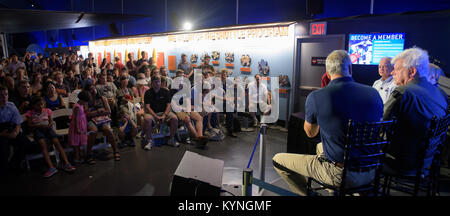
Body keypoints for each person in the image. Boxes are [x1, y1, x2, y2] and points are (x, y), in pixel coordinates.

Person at [272, 50, 383, 196]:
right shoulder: (374, 93)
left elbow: (311, 133)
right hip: (372, 171)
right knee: (320, 146)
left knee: (278, 160)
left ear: (327, 73)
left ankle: (314, 194)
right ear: (350, 69)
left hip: (339, 175)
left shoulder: (317, 97)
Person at [383, 47, 448, 175]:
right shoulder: (441, 94)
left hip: (401, 163)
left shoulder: (403, 92)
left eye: (396, 69)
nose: (392, 73)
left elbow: (380, 124)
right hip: (426, 163)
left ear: (412, 71)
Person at [26, 96, 76, 178]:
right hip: (38, 130)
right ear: (34, 105)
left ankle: (67, 163)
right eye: (38, 105)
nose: (40, 106)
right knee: (43, 145)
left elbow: (51, 120)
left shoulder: (47, 110)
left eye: (41, 104)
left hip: (48, 129)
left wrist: (50, 124)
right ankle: (51, 167)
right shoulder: (31, 113)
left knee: (57, 143)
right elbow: (29, 124)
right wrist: (39, 125)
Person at [84, 83, 120, 164]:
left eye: (94, 88)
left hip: (102, 119)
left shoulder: (102, 98)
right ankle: (88, 154)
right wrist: (98, 111)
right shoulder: (86, 101)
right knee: (93, 131)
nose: (93, 90)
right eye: (91, 89)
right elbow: (87, 114)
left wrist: (97, 113)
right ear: (88, 91)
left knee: (108, 130)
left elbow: (108, 111)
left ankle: (115, 151)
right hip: (91, 120)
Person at [143, 75, 180, 150]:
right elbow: (147, 107)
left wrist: (164, 115)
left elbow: (169, 105)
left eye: (158, 81)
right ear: (152, 83)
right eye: (155, 82)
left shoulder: (165, 91)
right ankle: (150, 141)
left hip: (164, 112)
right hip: (152, 113)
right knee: (147, 120)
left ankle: (171, 139)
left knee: (175, 118)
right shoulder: (148, 93)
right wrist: (156, 117)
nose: (157, 83)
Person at [0, 85, 29, 177]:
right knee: (3, 148)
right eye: (1, 95)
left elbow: (18, 121)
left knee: (25, 143)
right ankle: (4, 169)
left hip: (11, 129)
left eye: (6, 94)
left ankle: (14, 164)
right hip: (0, 132)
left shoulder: (11, 105)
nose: (4, 97)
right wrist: (1, 134)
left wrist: (16, 132)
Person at [68, 90, 90, 164]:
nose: (86, 103)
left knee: (79, 142)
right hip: (77, 126)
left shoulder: (81, 105)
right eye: (85, 101)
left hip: (81, 125)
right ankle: (77, 158)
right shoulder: (77, 106)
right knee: (76, 144)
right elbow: (76, 118)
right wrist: (77, 128)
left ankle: (80, 155)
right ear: (82, 99)